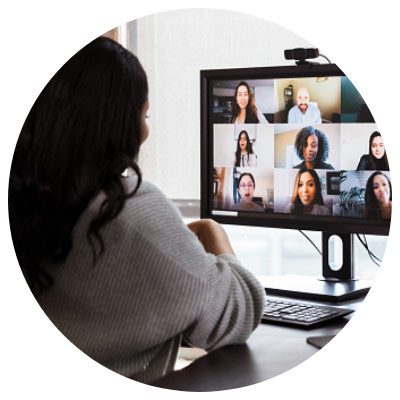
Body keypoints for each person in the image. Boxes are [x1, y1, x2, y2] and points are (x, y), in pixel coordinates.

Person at [8, 37, 265, 384]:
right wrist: (210, 231)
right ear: (115, 123)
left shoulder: (26, 201)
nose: (145, 131)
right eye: (143, 115)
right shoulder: (128, 211)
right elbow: (239, 310)